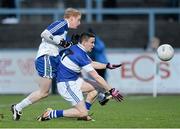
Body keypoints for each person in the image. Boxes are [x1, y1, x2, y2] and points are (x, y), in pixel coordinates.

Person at [11, 8, 82, 121]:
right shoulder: (62, 23)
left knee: (70, 80)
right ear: (71, 18)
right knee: (44, 92)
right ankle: (17, 107)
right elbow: (44, 34)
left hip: (53, 58)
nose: (79, 23)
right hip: (47, 57)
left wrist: (69, 44)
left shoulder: (64, 29)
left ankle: (81, 110)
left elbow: (59, 43)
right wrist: (61, 42)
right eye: (78, 20)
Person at [37, 32, 123, 121]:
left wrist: (107, 66)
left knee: (96, 88)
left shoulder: (77, 48)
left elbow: (92, 63)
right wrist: (111, 90)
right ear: (84, 42)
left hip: (73, 81)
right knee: (83, 111)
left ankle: (86, 113)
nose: (93, 45)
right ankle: (50, 114)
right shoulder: (80, 55)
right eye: (92, 42)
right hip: (67, 84)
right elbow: (96, 77)